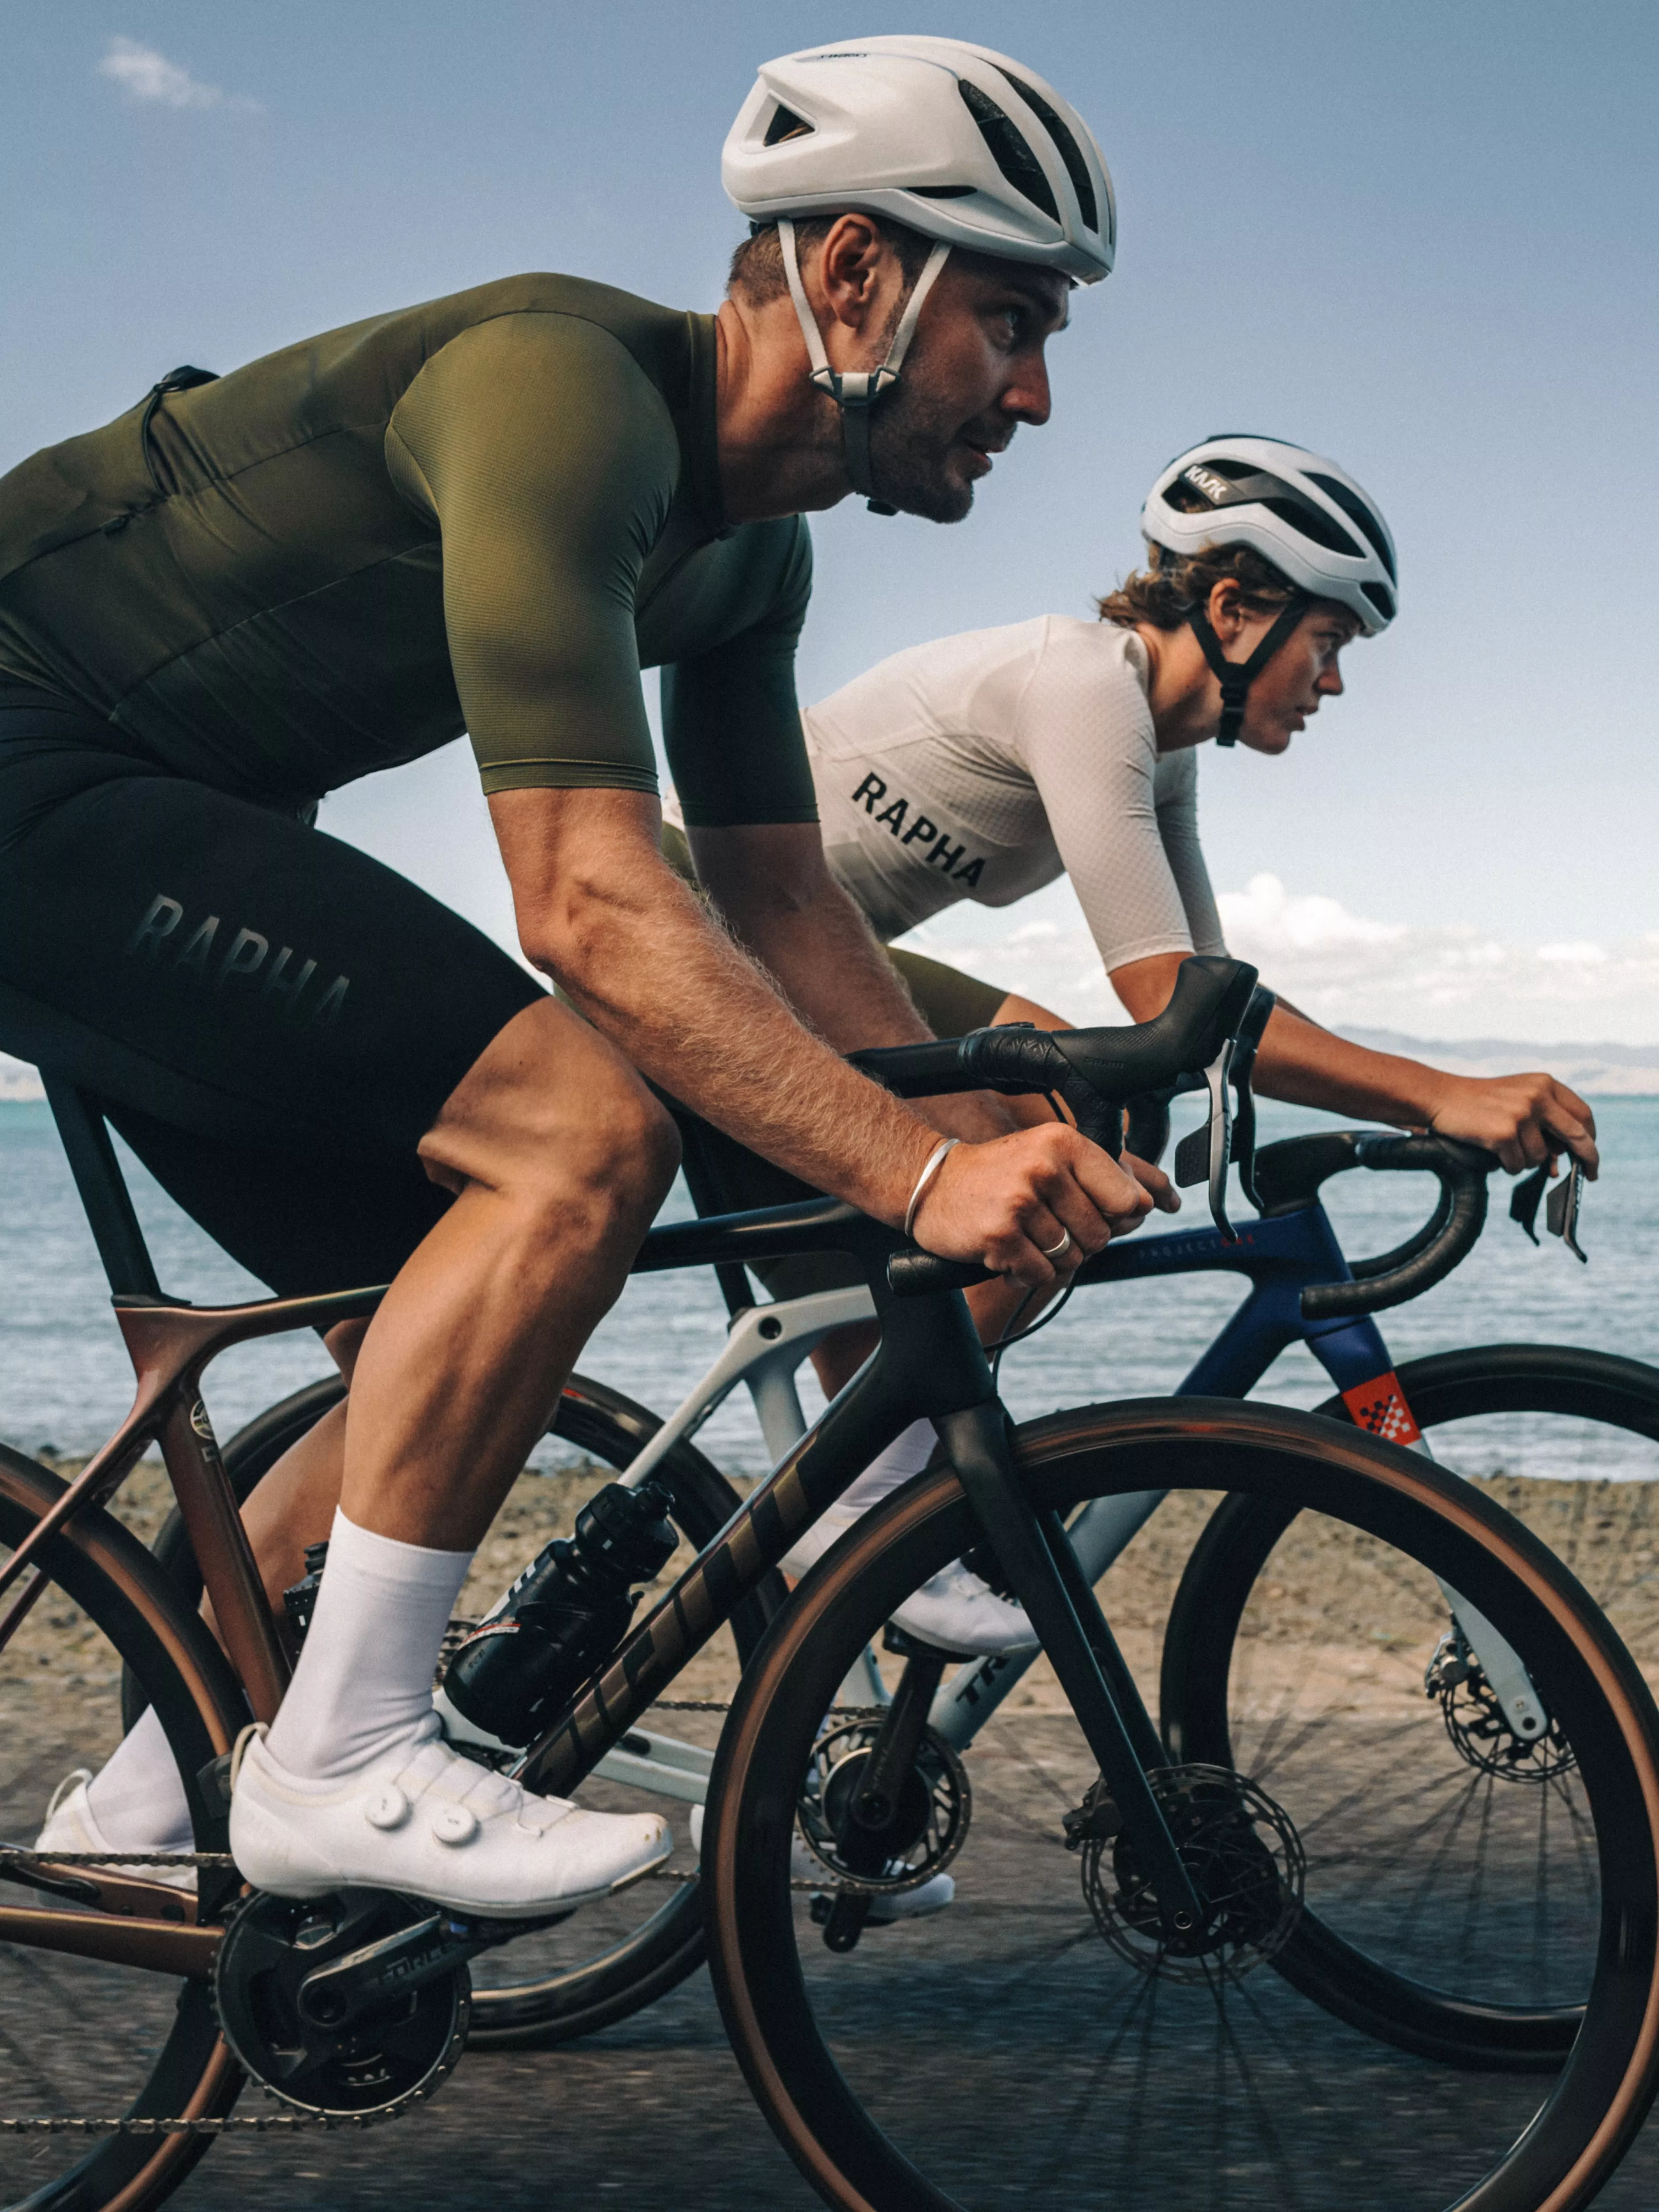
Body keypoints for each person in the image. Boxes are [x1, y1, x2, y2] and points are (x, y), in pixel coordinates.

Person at [1, 37, 1131, 1913]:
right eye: (1008, 322)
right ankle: (344, 1753)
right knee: (577, 1125)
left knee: (439, 1319)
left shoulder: (747, 559)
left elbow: (781, 909)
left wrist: (947, 1107)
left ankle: (155, 1786)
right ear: (854, 273)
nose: (1032, 391)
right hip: (36, 760)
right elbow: (593, 905)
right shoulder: (565, 393)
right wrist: (919, 1178)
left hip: (162, 816)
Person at [666, 434, 1600, 1646]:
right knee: (1047, 1161)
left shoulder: (1156, 750)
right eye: (1328, 644)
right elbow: (1173, 993)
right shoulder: (1083, 688)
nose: (1335, 684)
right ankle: (874, 1496)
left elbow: (1202, 1009)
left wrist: (1334, 1112)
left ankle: (882, 1442)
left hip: (816, 951)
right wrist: (1437, 1095)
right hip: (714, 929)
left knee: (1085, 1117)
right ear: (1233, 606)